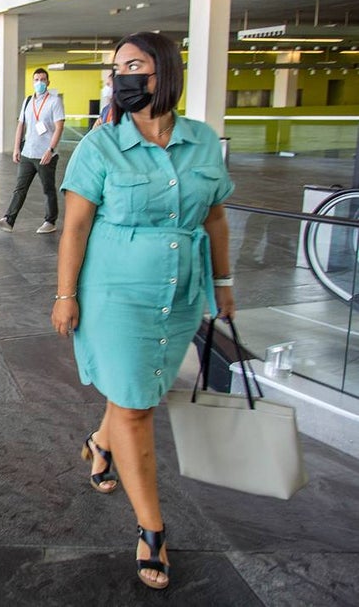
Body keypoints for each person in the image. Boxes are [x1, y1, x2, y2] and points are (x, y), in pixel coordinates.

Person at [51, 31, 235, 591]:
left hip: (178, 295)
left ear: (166, 71)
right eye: (116, 68)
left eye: (135, 65)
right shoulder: (100, 146)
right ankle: (152, 528)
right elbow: (76, 227)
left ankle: (101, 444)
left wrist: (222, 281)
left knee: (135, 391)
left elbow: (216, 218)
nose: (123, 76)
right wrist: (65, 294)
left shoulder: (203, 142)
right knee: (136, 406)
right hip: (115, 294)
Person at [0, 68, 65, 234]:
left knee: (48, 188)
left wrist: (51, 149)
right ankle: (8, 220)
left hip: (45, 154)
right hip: (28, 152)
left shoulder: (54, 102)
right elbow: (21, 125)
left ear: (48, 82)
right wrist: (17, 147)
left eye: (43, 79)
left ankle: (50, 221)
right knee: (20, 188)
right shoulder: (27, 101)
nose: (39, 82)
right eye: (37, 79)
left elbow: (59, 127)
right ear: (33, 82)